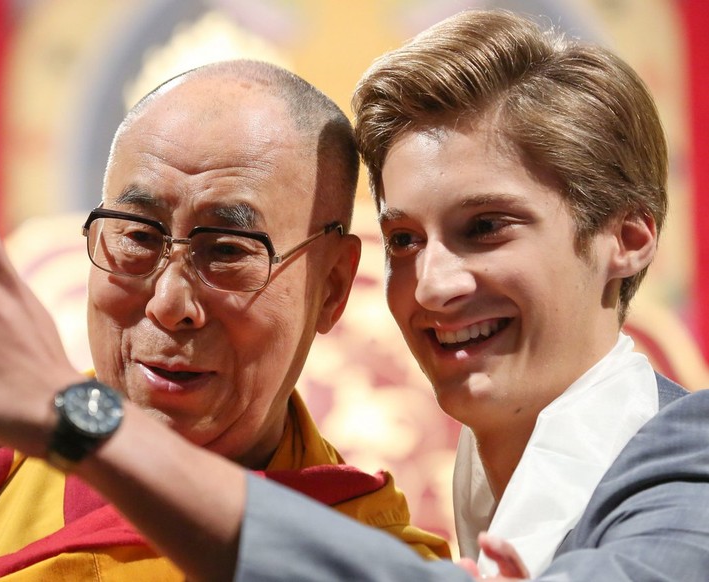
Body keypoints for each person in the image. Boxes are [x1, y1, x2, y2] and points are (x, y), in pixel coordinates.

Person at [0, 60, 449, 581]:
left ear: (333, 288)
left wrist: (67, 412)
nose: (168, 303)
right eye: (136, 235)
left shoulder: (364, 551)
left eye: (229, 250)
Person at [236, 8, 709, 581]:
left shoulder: (694, 450)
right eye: (404, 240)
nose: (432, 286)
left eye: (485, 227)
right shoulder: (485, 474)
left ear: (626, 239)